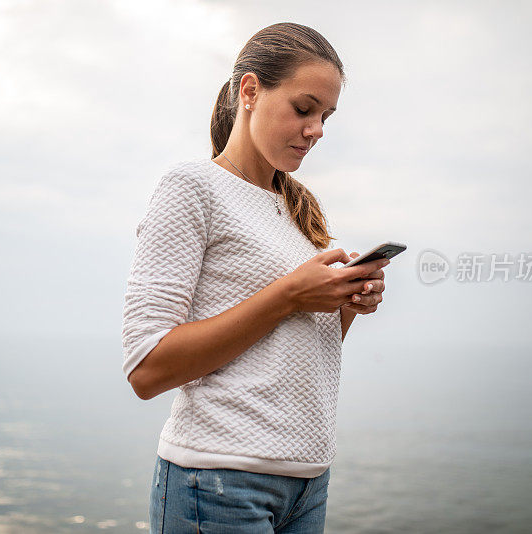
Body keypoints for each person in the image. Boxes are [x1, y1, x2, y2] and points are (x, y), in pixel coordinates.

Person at [121, 21, 389, 534]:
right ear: (249, 90)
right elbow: (146, 369)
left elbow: (294, 353)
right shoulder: (190, 188)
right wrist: (289, 295)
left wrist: (343, 306)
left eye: (326, 116)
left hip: (307, 485)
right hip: (218, 483)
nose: (316, 130)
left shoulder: (296, 211)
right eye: (304, 108)